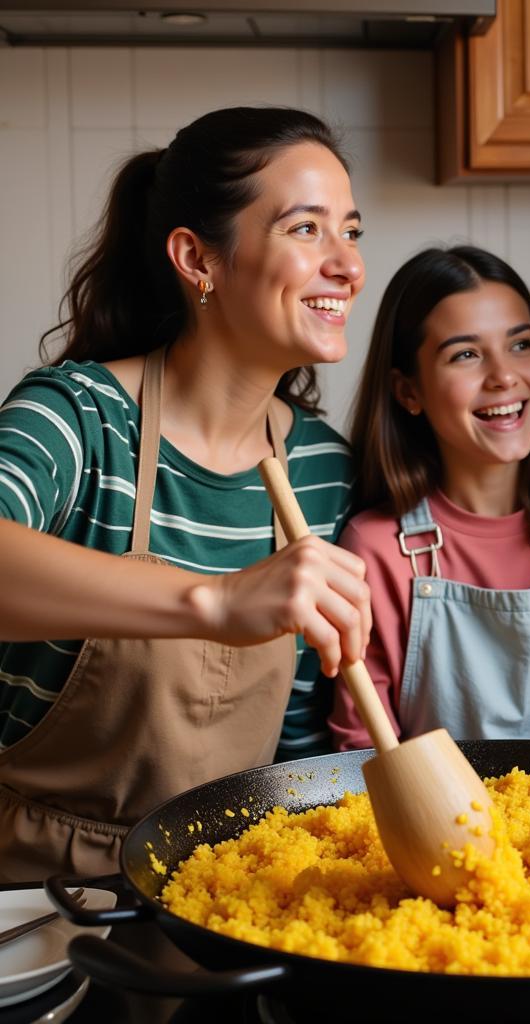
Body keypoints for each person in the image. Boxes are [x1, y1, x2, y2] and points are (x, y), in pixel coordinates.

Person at [0, 106, 372, 882]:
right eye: (306, 230)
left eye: (352, 231)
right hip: (37, 892)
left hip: (225, 885)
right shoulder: (78, 418)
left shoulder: (319, 466)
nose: (347, 265)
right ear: (197, 258)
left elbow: (294, 746)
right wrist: (214, 602)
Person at [329, 245, 530, 750]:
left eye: (521, 345)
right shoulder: (374, 550)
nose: (504, 376)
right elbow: (365, 753)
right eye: (466, 354)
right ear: (407, 391)